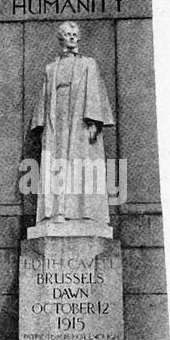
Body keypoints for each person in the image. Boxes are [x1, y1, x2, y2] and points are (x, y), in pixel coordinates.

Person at [31, 21, 114, 226]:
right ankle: (56, 212)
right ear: (61, 37)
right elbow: (45, 97)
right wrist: (42, 126)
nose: (72, 37)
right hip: (57, 118)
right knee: (57, 163)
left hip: (80, 118)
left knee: (81, 162)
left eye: (75, 33)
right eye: (67, 34)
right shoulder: (51, 68)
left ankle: (83, 213)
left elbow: (94, 92)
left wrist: (94, 121)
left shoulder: (88, 64)